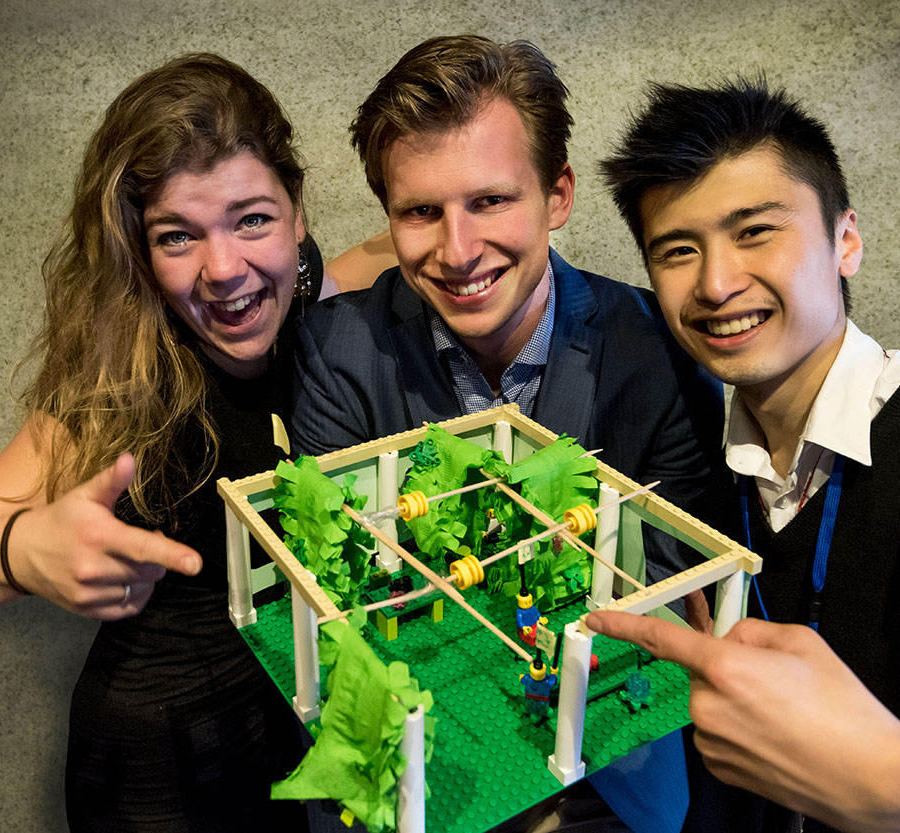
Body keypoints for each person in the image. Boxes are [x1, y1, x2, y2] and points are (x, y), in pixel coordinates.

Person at [0, 53, 321, 832]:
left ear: (297, 212)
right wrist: (22, 551)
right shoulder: (125, 390)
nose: (224, 269)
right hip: (160, 775)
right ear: (139, 250)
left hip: (282, 742)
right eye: (177, 236)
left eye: (252, 220)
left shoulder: (311, 295)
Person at [590, 78, 900, 832]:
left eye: (756, 231)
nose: (716, 284)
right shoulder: (708, 485)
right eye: (678, 250)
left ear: (845, 241)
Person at [289, 34, 724, 832]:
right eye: (421, 211)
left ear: (558, 196)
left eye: (490, 201)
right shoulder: (336, 349)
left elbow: (671, 594)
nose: (458, 252)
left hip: (608, 775)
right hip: (416, 774)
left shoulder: (660, 351)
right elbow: (339, 594)